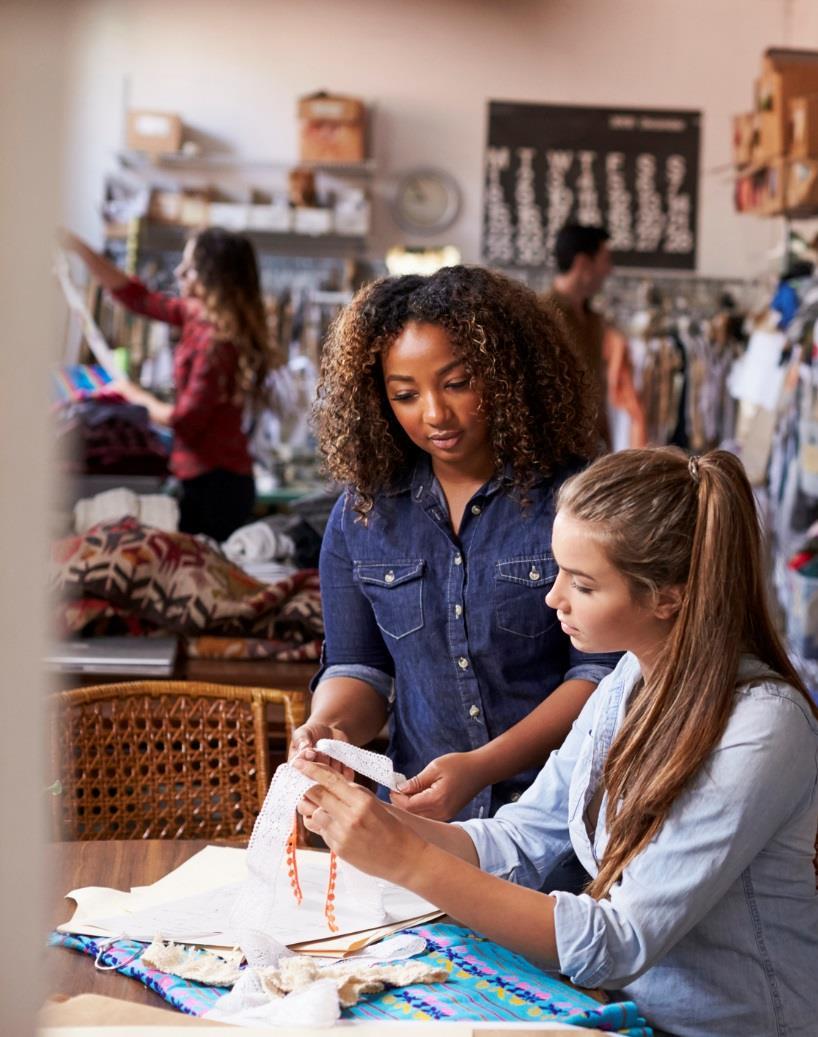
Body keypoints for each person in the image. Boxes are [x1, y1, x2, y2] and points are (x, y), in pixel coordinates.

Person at [295, 446, 818, 1037]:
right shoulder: (628, 681)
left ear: (669, 597)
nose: (553, 599)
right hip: (625, 1015)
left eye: (584, 584)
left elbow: (620, 940)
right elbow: (520, 837)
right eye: (558, 570)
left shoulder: (762, 725)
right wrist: (372, 819)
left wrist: (406, 859)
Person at [292, 265, 620, 823]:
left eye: (457, 384)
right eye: (405, 394)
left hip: (559, 821)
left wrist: (481, 767)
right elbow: (360, 667)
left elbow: (603, 676)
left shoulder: (576, 499)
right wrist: (332, 729)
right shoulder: (365, 513)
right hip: (421, 822)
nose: (434, 415)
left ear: (507, 373)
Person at [60, 227, 280, 541]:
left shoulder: (216, 344)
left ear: (212, 278)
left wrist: (134, 395)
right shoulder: (196, 317)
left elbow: (186, 421)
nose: (178, 272)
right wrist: (77, 246)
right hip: (205, 480)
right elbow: (137, 297)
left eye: (189, 268)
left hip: (218, 487)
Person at [544, 223, 613, 448]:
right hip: (553, 451)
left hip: (589, 449)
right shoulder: (541, 314)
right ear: (584, 263)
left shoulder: (594, 319)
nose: (609, 270)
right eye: (605, 260)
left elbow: (597, 388)